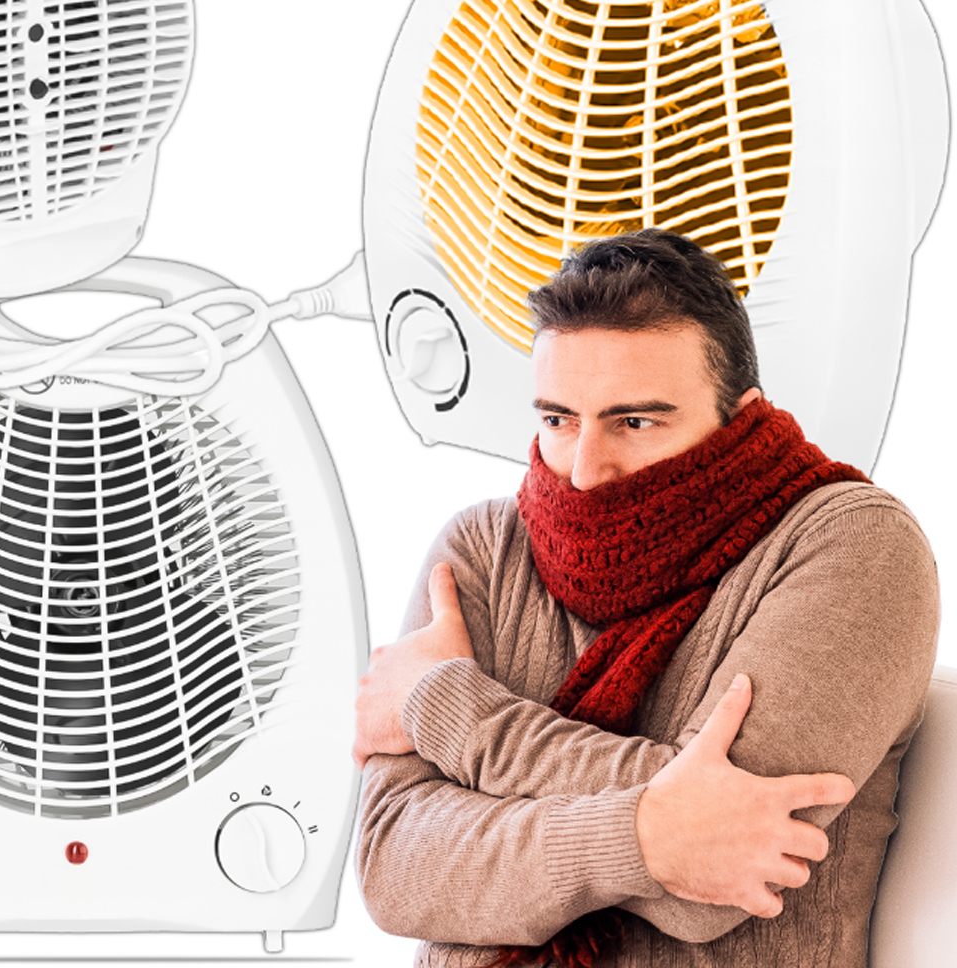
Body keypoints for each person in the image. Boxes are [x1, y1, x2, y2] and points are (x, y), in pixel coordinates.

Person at [353, 229, 939, 968]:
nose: (584, 471)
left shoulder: (852, 544)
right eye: (558, 420)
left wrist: (443, 705)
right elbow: (392, 869)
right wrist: (646, 836)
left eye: (634, 422)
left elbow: (712, 886)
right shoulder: (480, 549)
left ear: (740, 416)